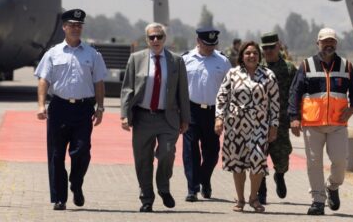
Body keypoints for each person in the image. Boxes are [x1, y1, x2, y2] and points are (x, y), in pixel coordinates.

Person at [35, 9, 108, 211]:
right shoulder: (53, 53)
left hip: (84, 109)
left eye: (79, 25)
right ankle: (60, 198)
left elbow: (99, 82)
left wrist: (100, 107)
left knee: (82, 152)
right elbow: (43, 80)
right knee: (56, 155)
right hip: (59, 107)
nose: (76, 28)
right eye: (72, 25)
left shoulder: (92, 54)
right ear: (64, 27)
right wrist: (41, 105)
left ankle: (76, 184)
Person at [288, 27, 353, 216]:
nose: (328, 44)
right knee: (314, 163)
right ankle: (318, 200)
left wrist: (352, 108)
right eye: (325, 41)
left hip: (337, 124)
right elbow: (295, 92)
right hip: (312, 124)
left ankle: (332, 186)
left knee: (339, 161)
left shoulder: (346, 66)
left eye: (332, 41)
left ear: (336, 44)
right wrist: (294, 117)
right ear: (318, 43)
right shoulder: (307, 65)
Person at [120, 22, 190, 212]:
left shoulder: (176, 61)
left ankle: (163, 187)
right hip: (143, 117)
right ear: (147, 40)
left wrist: (185, 119)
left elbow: (182, 92)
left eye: (159, 36)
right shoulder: (136, 59)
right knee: (143, 159)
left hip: (168, 118)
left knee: (167, 153)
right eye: (152, 37)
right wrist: (124, 115)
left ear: (165, 39)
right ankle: (147, 198)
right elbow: (127, 88)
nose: (156, 40)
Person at [215, 41, 280, 213]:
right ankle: (241, 199)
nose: (251, 56)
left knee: (258, 160)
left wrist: (274, 125)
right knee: (238, 163)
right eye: (248, 53)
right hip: (235, 126)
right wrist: (219, 118)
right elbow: (222, 96)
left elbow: (274, 103)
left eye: (255, 53)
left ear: (259, 56)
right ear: (242, 56)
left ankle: (254, 198)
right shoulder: (232, 73)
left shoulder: (268, 75)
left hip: (259, 125)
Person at [181, 27, 232, 202]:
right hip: (192, 110)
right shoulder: (186, 59)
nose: (210, 48)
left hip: (214, 112)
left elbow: (229, 89)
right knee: (190, 150)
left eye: (213, 44)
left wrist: (225, 114)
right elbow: (179, 88)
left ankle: (205, 178)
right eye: (206, 44)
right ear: (198, 41)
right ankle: (193, 188)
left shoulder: (223, 61)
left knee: (212, 152)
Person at [257, 32, 297, 205]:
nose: (268, 51)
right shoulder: (257, 68)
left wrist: (296, 116)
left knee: (282, 158)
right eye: (265, 48)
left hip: (280, 122)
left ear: (278, 46)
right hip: (259, 122)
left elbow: (296, 93)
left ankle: (279, 175)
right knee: (258, 157)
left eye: (271, 47)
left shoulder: (288, 68)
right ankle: (261, 190)